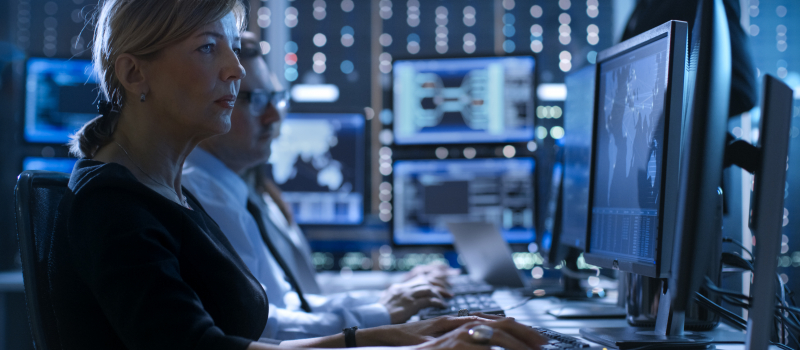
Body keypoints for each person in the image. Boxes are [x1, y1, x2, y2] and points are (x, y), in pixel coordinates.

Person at [49, 0, 546, 349]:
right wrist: (392, 339)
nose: (235, 70)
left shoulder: (167, 192)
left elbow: (242, 327)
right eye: (207, 48)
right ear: (135, 73)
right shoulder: (113, 206)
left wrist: (395, 334)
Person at [182, 32, 456, 341]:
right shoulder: (201, 196)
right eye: (255, 100)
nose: (274, 117)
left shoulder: (242, 190)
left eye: (275, 98)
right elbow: (261, 324)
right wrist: (380, 312)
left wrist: (387, 294)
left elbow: (297, 296)